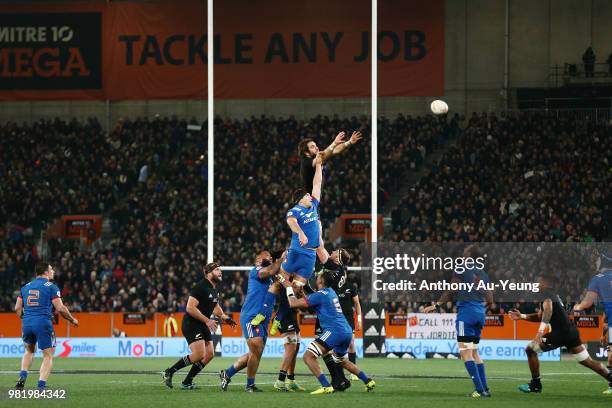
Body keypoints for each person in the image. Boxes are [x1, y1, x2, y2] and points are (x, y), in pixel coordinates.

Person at [250, 158, 324, 334]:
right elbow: (291, 222)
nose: (310, 196)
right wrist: (300, 232)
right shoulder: (294, 211)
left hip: (310, 256)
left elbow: (317, 184)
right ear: (300, 199)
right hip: (296, 251)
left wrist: (319, 165)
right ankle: (262, 314)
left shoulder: (313, 205)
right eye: (306, 195)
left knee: (296, 289)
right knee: (279, 281)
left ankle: (278, 318)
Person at [510, 275, 612, 394]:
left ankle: (535, 385)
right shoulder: (553, 295)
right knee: (586, 361)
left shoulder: (546, 294)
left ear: (546, 283)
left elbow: (548, 311)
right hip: (570, 332)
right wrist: (521, 316)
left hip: (560, 333)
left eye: (538, 282)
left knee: (530, 350)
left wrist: (540, 331)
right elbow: (541, 316)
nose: (536, 284)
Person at [281, 271, 375, 395]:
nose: (316, 278)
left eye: (319, 277)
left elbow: (293, 303)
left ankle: (326, 386)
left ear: (321, 281)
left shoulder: (320, 295)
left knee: (308, 356)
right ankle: (368, 381)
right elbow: (314, 305)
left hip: (334, 331)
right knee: (341, 360)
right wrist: (303, 294)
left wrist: (288, 288)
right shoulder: (331, 292)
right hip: (346, 331)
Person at [423, 245, 493, 398]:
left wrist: (436, 305)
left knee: (465, 353)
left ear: (469, 255)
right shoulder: (483, 273)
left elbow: (452, 289)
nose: (462, 254)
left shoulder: (461, 268)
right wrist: (479, 309)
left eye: (465, 252)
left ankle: (480, 390)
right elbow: (490, 299)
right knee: (475, 352)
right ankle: (485, 388)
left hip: (466, 315)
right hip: (479, 315)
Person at [162, 262, 236, 390]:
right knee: (198, 355)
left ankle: (187, 382)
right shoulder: (200, 287)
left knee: (209, 354)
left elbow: (215, 307)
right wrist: (207, 321)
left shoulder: (214, 289)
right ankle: (169, 372)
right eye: (217, 270)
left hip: (202, 324)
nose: (220, 272)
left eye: (220, 270)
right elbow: (190, 308)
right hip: (192, 324)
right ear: (208, 273)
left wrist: (225, 317)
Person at [219, 251, 282, 392]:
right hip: (252, 316)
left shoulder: (271, 278)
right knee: (257, 348)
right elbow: (271, 270)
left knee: (255, 352)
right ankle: (250, 385)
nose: (271, 258)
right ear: (258, 260)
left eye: (272, 258)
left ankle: (227, 373)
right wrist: (282, 258)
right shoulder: (256, 271)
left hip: (264, 319)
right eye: (267, 256)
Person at [14, 263, 79, 391]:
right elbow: (60, 308)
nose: (53, 271)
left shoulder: (25, 287)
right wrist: (72, 319)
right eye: (51, 269)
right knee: (48, 355)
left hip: (27, 323)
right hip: (43, 322)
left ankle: (22, 377)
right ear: (46, 272)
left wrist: (25, 318)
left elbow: (17, 308)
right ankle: (41, 386)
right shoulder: (51, 287)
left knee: (29, 351)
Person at [310, 248, 361, 390]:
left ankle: (336, 380)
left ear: (338, 258)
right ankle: (341, 379)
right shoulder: (340, 270)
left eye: (335, 251)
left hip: (327, 311)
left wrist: (316, 233)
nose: (331, 251)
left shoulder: (336, 267)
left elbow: (320, 249)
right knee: (331, 351)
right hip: (328, 309)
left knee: (321, 350)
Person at [572, 248, 612, 394]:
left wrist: (578, 306)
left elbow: (588, 302)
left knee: (611, 352)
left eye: (597, 260)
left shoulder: (598, 278)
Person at [273, 287, 307, 392]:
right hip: (284, 319)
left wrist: (302, 294)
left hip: (293, 317)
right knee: (290, 349)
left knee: (295, 349)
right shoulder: (285, 283)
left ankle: (291, 381)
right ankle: (280, 381)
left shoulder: (297, 284)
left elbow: (305, 307)